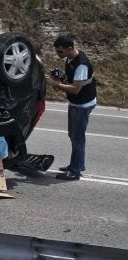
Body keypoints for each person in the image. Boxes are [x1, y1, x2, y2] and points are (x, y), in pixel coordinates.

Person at [48, 35, 96, 181]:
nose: (58, 55)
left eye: (60, 52)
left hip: (82, 105)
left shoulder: (81, 64)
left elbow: (75, 89)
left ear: (70, 49)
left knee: (78, 138)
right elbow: (72, 81)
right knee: (73, 135)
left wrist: (54, 84)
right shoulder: (70, 58)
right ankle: (77, 165)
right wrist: (61, 78)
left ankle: (75, 171)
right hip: (75, 103)